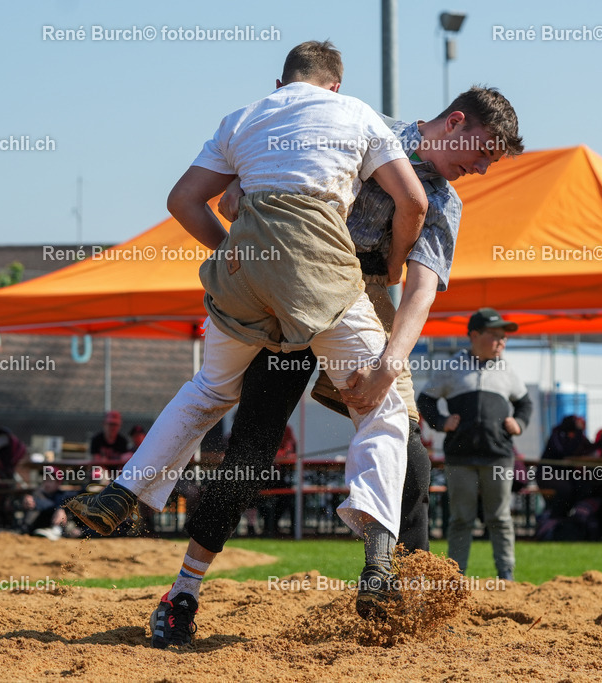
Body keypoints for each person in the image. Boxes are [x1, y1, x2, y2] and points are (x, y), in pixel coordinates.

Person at [67, 39, 430, 646]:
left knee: (209, 390)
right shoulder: (358, 113)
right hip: (321, 272)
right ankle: (377, 562)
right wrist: (391, 267)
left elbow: (183, 199)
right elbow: (412, 200)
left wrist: (235, 253)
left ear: (282, 81)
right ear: (334, 85)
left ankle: (125, 490)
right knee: (383, 407)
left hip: (243, 269)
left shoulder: (244, 117)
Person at [146, 82, 520, 644]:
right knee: (250, 452)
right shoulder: (361, 125)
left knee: (412, 462)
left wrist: (390, 364)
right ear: (456, 122)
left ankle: (396, 595)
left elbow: (418, 291)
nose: (484, 169)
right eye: (483, 153)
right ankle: (182, 593)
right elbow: (243, 190)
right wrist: (244, 239)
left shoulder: (445, 199)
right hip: (295, 285)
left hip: (365, 298)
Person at [417, 308, 533, 581]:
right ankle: (456, 577)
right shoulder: (452, 367)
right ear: (474, 335)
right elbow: (426, 400)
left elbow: (525, 403)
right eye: (496, 336)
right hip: (460, 457)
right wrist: (442, 421)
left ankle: (506, 576)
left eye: (504, 338)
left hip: (499, 457)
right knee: (460, 520)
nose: (502, 342)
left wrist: (520, 423)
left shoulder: (507, 368)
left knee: (501, 518)